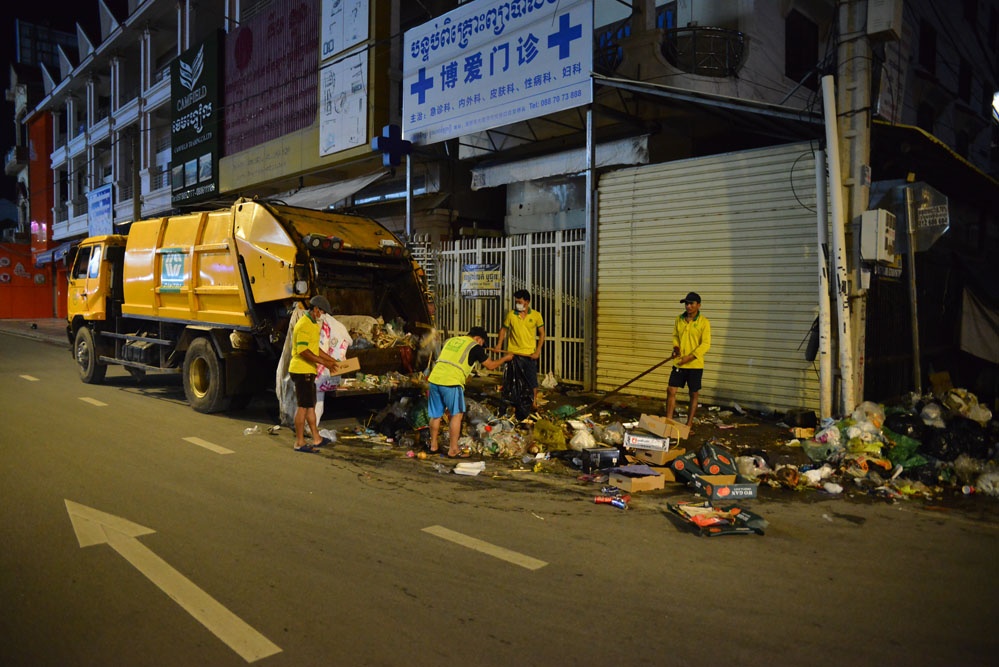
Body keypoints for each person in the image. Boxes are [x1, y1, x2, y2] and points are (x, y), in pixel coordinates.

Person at [427, 326, 511, 458]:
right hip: (451, 382)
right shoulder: (475, 347)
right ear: (478, 339)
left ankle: (433, 446)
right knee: (457, 415)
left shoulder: (451, 340)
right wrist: (506, 358)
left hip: (434, 379)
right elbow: (490, 365)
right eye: (483, 343)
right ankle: (453, 450)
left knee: (436, 415)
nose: (482, 346)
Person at [289, 295, 342, 452]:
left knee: (310, 407)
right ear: (315, 309)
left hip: (308, 371)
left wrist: (332, 360)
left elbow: (315, 349)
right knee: (303, 408)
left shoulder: (313, 324)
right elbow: (303, 351)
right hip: (301, 370)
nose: (323, 315)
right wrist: (324, 363)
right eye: (322, 312)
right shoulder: (304, 324)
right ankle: (299, 442)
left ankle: (316, 438)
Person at [496, 289, 545, 420]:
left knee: (531, 381)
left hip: (529, 355)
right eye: (516, 301)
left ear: (527, 302)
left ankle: (533, 403)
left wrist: (537, 351)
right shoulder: (511, 315)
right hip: (513, 354)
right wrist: (499, 345)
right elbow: (503, 330)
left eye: (520, 302)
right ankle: (510, 403)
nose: (517, 304)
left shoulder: (536, 315)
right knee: (510, 381)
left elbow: (542, 334)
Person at [666, 291, 711, 432]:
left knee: (693, 394)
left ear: (698, 305)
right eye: (686, 303)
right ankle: (668, 422)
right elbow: (675, 336)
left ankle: (688, 425)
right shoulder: (679, 319)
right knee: (671, 390)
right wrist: (676, 348)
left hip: (694, 365)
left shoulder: (703, 322)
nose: (688, 306)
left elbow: (706, 344)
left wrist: (690, 357)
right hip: (679, 362)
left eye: (691, 303)